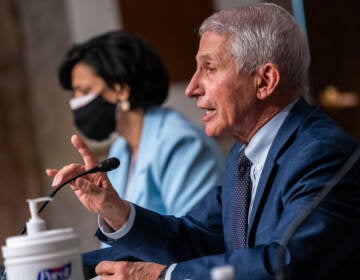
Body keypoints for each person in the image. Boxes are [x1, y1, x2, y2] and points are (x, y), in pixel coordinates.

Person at [47, 3, 360, 280]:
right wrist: (112, 210)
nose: (192, 87)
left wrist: (164, 277)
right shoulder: (245, 153)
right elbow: (194, 238)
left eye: (209, 68)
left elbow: (285, 263)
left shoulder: (321, 152)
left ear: (264, 81)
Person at [57, 30, 224, 222]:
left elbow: (194, 238)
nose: (76, 102)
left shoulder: (181, 143)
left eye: (84, 91)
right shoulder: (120, 150)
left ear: (120, 89)